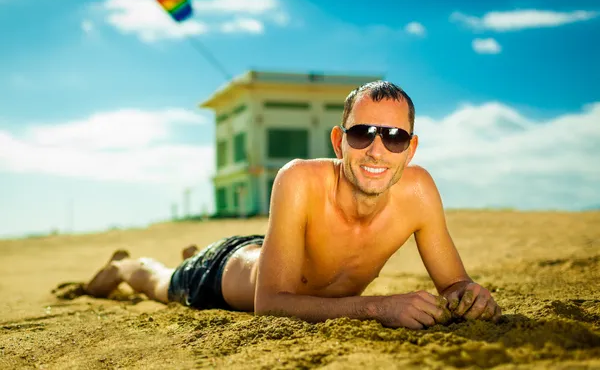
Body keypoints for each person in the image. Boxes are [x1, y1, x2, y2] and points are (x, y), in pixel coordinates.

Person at [84, 81, 502, 330]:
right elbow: (269, 304)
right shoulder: (299, 178)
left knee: (264, 254)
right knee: (161, 282)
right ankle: (124, 266)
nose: (377, 150)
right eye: (362, 135)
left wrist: (468, 295)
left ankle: (192, 251)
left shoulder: (420, 191)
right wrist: (379, 307)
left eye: (393, 137)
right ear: (339, 141)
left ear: (410, 149)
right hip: (224, 275)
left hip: (268, 254)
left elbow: (454, 285)